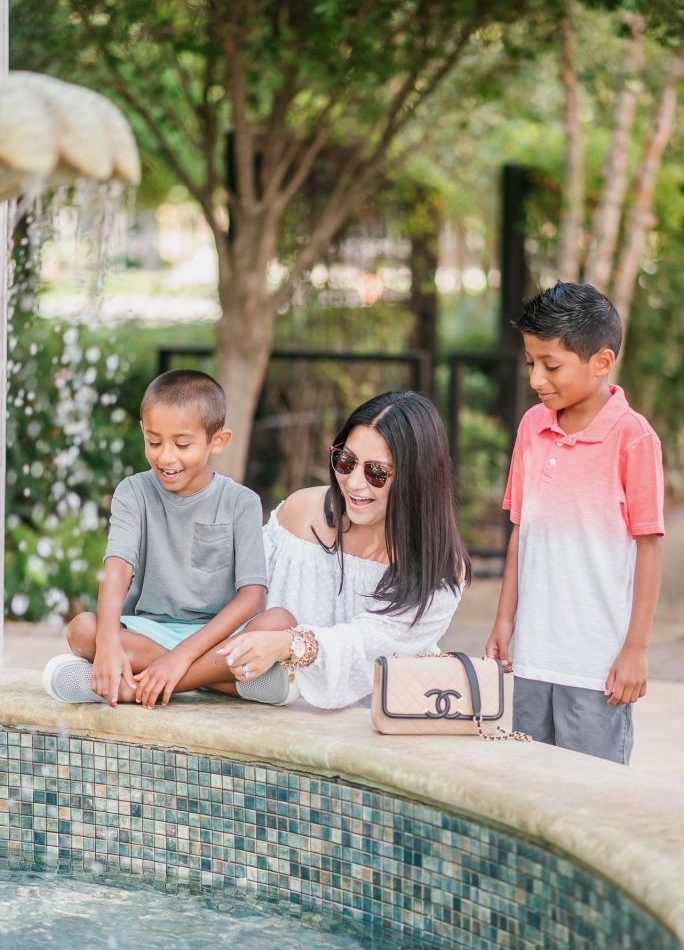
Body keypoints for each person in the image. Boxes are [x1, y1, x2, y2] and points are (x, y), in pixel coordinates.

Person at [42, 369, 296, 709]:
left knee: (281, 622)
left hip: (216, 638)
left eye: (183, 444)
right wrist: (107, 643)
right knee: (83, 629)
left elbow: (252, 599)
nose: (166, 457)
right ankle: (222, 683)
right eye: (154, 441)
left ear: (217, 441)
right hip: (150, 631)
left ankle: (138, 686)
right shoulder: (134, 492)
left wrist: (179, 660)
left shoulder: (241, 502)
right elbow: (118, 566)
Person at [485, 281, 664, 764]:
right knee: (528, 790)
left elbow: (650, 547)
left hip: (596, 667)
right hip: (532, 659)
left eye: (551, 365)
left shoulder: (633, 438)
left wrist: (636, 649)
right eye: (531, 364)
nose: (537, 379)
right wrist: (505, 619)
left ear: (601, 362)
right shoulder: (531, 426)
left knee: (593, 797)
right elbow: (523, 531)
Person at [206, 390, 470, 709]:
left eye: (377, 472)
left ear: (417, 478)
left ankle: (159, 680)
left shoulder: (438, 567)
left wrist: (289, 644)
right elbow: (233, 595)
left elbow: (364, 646)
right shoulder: (301, 510)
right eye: (346, 461)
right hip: (262, 698)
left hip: (375, 726)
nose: (355, 483)